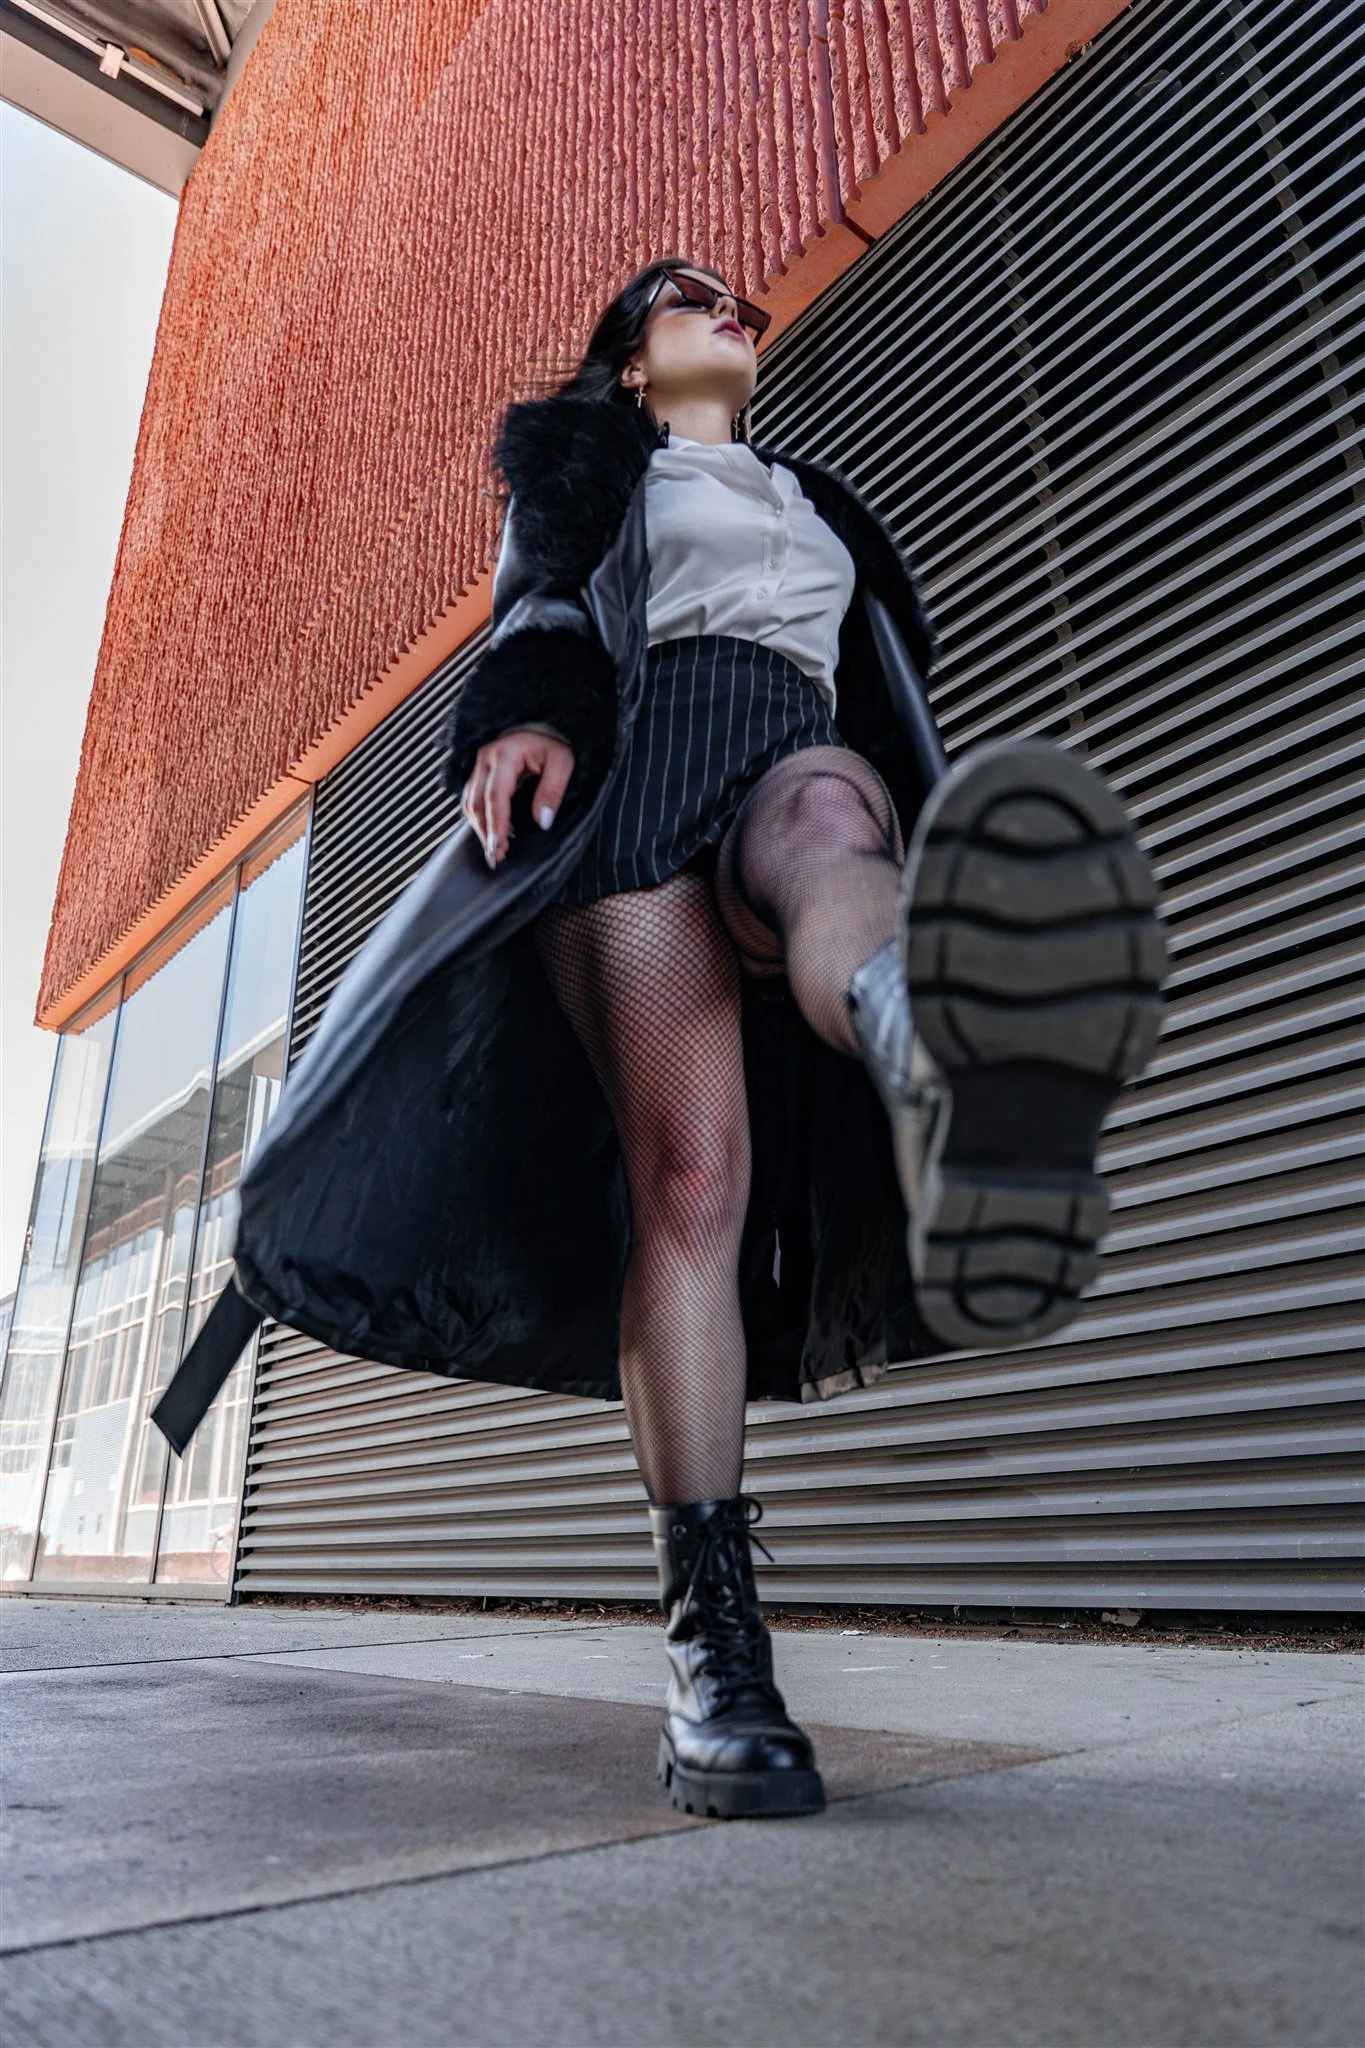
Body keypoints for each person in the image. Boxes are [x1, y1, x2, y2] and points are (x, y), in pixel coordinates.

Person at [154, 257, 1166, 1825]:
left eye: (745, 305)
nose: (737, 311)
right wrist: (528, 711)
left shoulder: (820, 501)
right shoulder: (584, 467)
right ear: (631, 363)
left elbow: (880, 696)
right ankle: (715, 1657)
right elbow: (543, 605)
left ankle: (935, 1048)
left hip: (792, 749)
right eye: (695, 299)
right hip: (637, 763)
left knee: (838, 822)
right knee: (693, 1178)